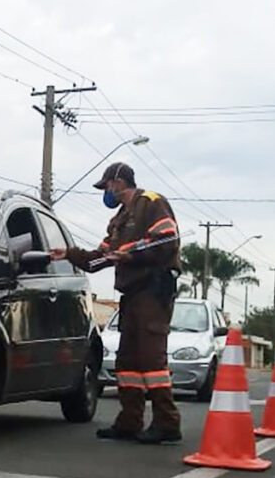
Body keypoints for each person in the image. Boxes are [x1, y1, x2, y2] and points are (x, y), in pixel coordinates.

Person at [50, 162, 183, 444]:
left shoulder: (152, 203)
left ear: (120, 181)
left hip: (154, 291)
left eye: (107, 185)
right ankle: (129, 422)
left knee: (151, 360)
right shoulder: (119, 220)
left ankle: (167, 423)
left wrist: (129, 253)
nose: (106, 192)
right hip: (132, 295)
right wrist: (69, 255)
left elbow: (167, 239)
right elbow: (100, 258)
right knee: (128, 362)